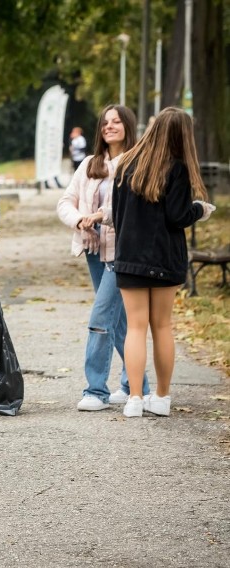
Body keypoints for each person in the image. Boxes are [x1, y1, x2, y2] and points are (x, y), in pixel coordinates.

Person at [112, 107, 216, 418]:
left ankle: (133, 398)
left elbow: (117, 215)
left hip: (129, 257)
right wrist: (200, 210)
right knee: (162, 327)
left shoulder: (125, 164)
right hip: (164, 258)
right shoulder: (178, 168)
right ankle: (161, 397)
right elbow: (178, 216)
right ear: (182, 136)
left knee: (135, 328)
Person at [57, 105, 151, 411]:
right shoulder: (89, 164)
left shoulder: (138, 162)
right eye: (105, 123)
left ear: (128, 126)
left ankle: (95, 390)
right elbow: (65, 202)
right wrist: (79, 219)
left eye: (117, 122)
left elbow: (137, 207)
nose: (110, 126)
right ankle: (137, 385)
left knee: (100, 318)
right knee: (119, 321)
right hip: (94, 251)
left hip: (124, 252)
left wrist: (102, 215)